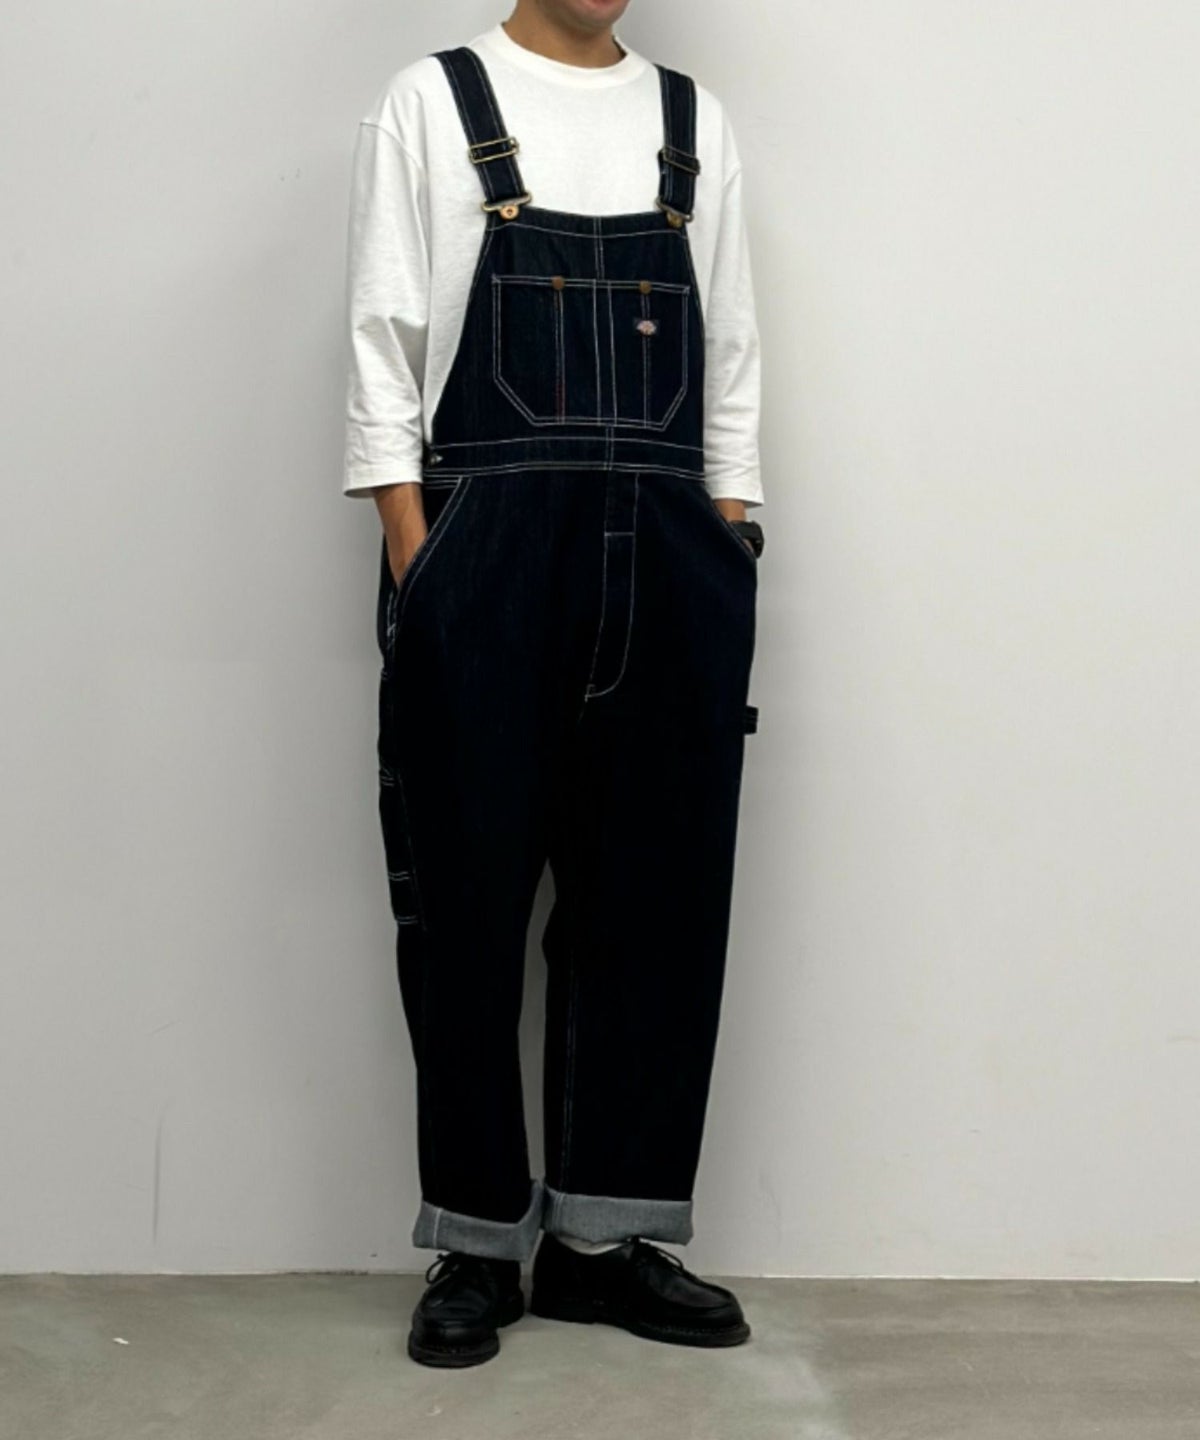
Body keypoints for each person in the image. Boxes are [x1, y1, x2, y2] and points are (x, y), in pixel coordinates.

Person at [342, 0, 765, 1368]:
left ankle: (602, 1244)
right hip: (484, 555)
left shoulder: (692, 120)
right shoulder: (433, 100)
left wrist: (731, 530)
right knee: (462, 903)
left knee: (653, 902)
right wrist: (419, 552)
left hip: (674, 553)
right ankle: (476, 1243)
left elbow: (733, 353)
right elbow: (383, 337)